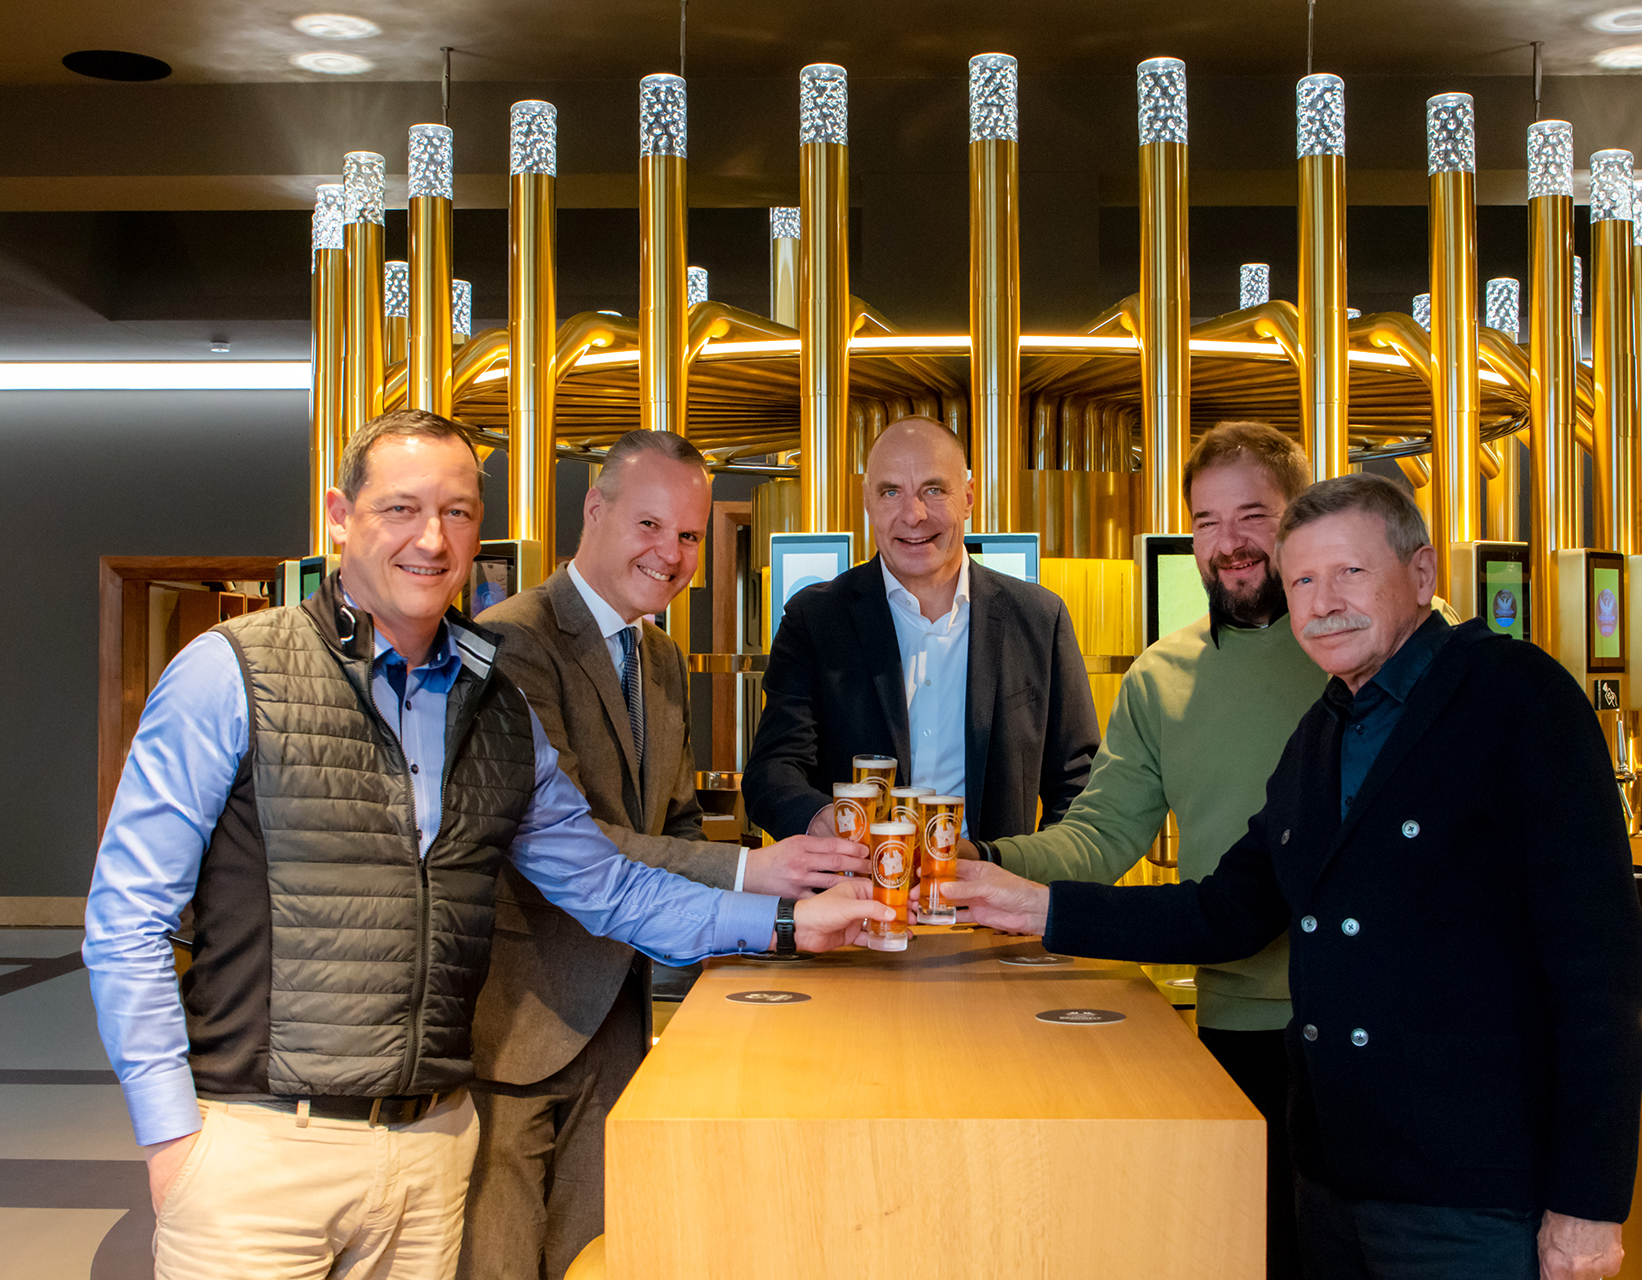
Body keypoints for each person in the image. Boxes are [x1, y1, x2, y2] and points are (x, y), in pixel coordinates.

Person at [82, 409, 889, 1280]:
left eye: (457, 512)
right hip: (264, 1152)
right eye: (401, 508)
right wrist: (172, 1140)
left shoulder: (496, 703)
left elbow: (607, 885)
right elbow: (127, 920)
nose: (431, 538)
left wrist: (788, 923)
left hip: (431, 1152)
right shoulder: (230, 670)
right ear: (340, 517)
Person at [943, 472, 1642, 1280]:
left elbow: (1600, 969)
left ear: (1421, 573)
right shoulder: (1323, 730)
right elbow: (1227, 912)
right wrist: (1033, 907)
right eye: (1303, 580)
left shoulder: (1518, 697)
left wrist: (1589, 1205)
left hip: (1473, 1193)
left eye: (1350, 572)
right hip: (1336, 1177)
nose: (1323, 603)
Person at [460, 430, 869, 1280]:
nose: (671, 555)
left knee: (595, 1260)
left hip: (620, 1022)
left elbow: (675, 825)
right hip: (515, 1031)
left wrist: (768, 906)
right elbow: (574, 842)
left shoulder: (660, 656)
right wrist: (758, 878)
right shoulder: (512, 641)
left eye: (687, 535)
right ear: (594, 509)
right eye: (649, 525)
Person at [972, 421, 1323, 1279]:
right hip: (1238, 1026)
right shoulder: (1161, 676)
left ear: (1301, 515)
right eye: (1206, 522)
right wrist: (987, 864)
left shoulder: (1370, 646)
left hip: (1376, 1025)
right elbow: (1100, 837)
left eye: (1253, 516)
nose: (1229, 543)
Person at [743, 416, 1098, 842]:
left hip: (990, 882)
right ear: (868, 502)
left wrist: (1027, 872)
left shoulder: (1040, 618)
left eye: (933, 489)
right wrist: (823, 822)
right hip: (854, 880)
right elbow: (772, 771)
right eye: (891, 492)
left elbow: (1078, 784)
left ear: (968, 497)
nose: (913, 515)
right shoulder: (815, 619)